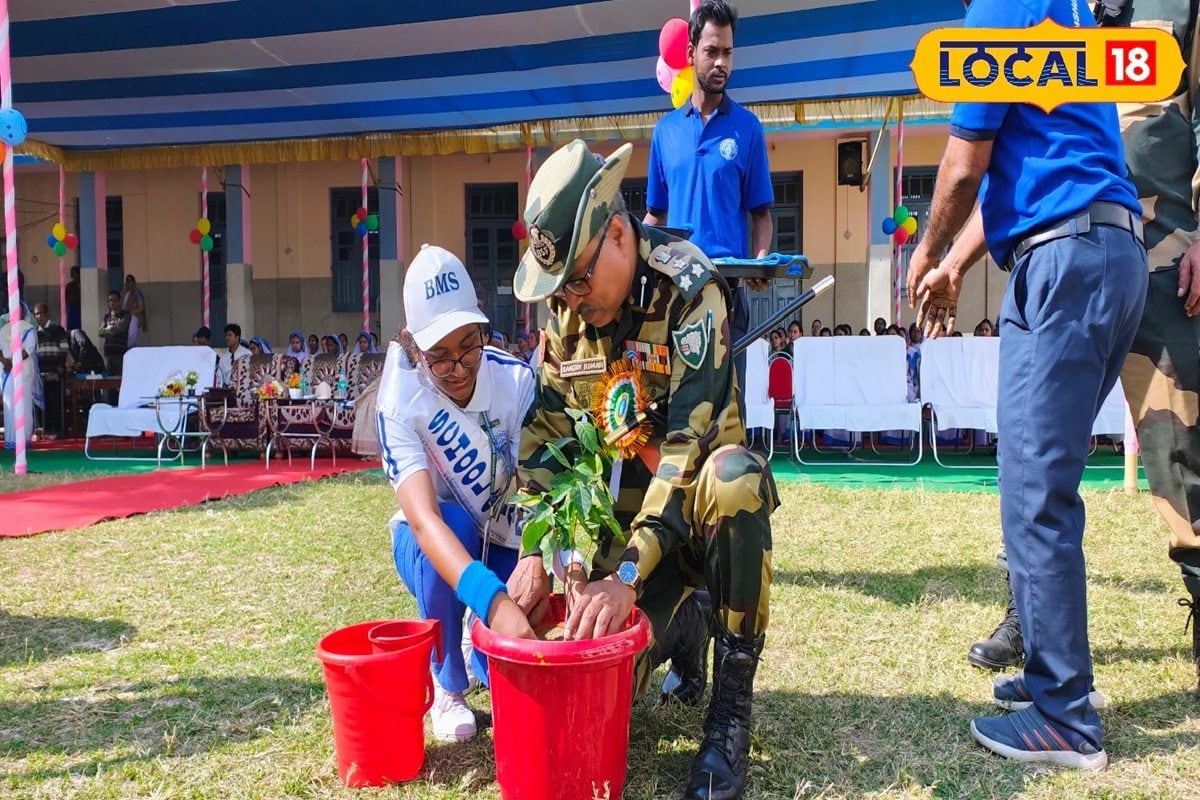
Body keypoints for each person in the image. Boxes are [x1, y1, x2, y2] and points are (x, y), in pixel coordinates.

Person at [905, 0, 1147, 769]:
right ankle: (1056, 674)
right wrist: (955, 266)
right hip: (1104, 249)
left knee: (1035, 488)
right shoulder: (1065, 12)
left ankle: (1066, 719)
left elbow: (964, 162)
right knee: (1040, 482)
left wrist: (925, 249)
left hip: (1066, 263)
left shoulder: (1003, 5)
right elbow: (1025, 176)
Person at [513, 139, 778, 800]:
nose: (571, 298)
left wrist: (627, 577)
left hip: (693, 530)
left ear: (620, 234)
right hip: (617, 539)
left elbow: (687, 457)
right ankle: (682, 633)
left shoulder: (692, 293)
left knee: (734, 478)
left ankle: (730, 709)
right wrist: (552, 552)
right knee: (596, 696)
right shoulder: (566, 317)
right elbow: (547, 440)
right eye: (561, 286)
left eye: (579, 277)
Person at [969, 0, 1200, 695]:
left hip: (1166, 254)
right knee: (1036, 443)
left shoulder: (1173, 6)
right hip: (1071, 241)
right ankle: (1032, 617)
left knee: (1180, 450)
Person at [377, 245, 539, 743]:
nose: (460, 367)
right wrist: (492, 603)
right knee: (453, 525)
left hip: (508, 532)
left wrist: (538, 559)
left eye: (469, 346)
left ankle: (478, 651)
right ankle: (447, 682)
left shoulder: (515, 381)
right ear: (410, 346)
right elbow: (425, 521)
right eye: (439, 357)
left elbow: (539, 484)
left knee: (512, 663)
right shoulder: (401, 402)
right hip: (438, 540)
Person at [644, 0, 773, 405]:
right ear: (691, 54)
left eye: (728, 53)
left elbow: (762, 215)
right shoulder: (664, 134)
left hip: (728, 292)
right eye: (712, 51)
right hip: (674, 292)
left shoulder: (748, 129)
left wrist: (761, 261)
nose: (721, 63)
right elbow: (655, 215)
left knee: (728, 406)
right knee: (677, 406)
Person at [1, 303, 43, 449]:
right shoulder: (4, 328)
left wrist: (14, 361)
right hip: (7, 371)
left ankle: (23, 441)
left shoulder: (28, 328)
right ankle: (10, 441)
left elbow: (29, 348)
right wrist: (5, 361)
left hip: (23, 371)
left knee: (23, 404)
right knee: (9, 406)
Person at [32, 303, 71, 436]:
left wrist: (60, 364)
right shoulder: (35, 333)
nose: (39, 317)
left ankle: (59, 430)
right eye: (36, 314)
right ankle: (47, 430)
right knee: (44, 403)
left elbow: (64, 348)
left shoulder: (57, 329)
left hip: (55, 371)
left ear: (47, 314)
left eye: (41, 313)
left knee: (56, 401)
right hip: (41, 373)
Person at [98, 291, 131, 376]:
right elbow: (100, 332)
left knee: (120, 379)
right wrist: (112, 330)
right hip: (108, 353)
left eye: (114, 300)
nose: (111, 302)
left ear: (119, 301)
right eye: (109, 300)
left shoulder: (125, 315)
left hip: (120, 352)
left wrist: (109, 329)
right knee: (109, 380)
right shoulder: (106, 317)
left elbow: (120, 328)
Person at [121, 275, 148, 342]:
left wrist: (130, 313)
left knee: (132, 338)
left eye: (130, 281)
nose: (128, 283)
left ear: (133, 282)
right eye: (127, 281)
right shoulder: (125, 293)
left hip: (133, 318)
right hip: (124, 319)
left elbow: (141, 307)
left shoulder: (137, 293)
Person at [65, 266, 81, 332]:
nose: (71, 274)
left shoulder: (82, 284)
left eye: (73, 272)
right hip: (72, 308)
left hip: (79, 308)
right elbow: (67, 298)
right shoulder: (69, 285)